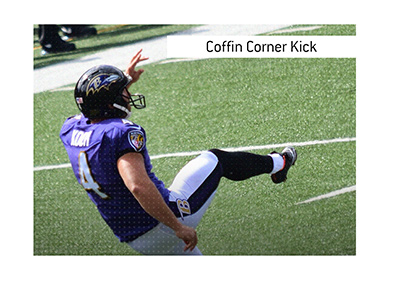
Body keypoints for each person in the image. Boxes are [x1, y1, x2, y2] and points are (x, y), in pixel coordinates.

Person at [59, 49, 297, 255]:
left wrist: (126, 80)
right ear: (110, 102)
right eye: (122, 93)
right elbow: (138, 186)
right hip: (162, 221)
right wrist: (177, 227)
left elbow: (97, 116)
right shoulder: (122, 133)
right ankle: (279, 163)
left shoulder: (70, 129)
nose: (128, 96)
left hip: (133, 236)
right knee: (216, 160)